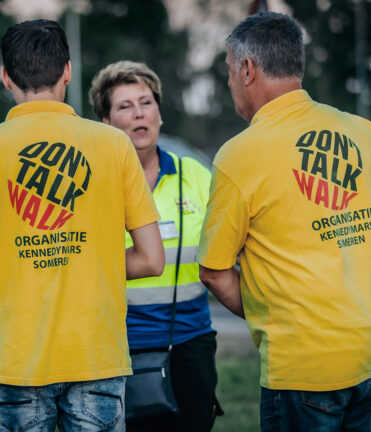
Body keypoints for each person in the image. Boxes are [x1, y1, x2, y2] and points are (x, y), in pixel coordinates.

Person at [197, 12, 371, 432]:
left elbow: (214, 271)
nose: (229, 85)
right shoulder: (358, 130)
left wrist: (268, 315)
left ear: (247, 70)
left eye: (228, 72)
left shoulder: (239, 156)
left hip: (303, 364)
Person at [0, 20, 164, 432]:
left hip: (14, 360)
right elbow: (152, 260)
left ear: (6, 76)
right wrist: (87, 259)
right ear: (67, 71)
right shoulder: (113, 144)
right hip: (95, 354)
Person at [89, 61, 222, 431]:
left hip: (190, 342)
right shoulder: (91, 185)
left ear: (160, 114)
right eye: (125, 106)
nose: (139, 114)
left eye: (146, 102)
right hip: (115, 348)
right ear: (106, 122)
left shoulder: (197, 176)